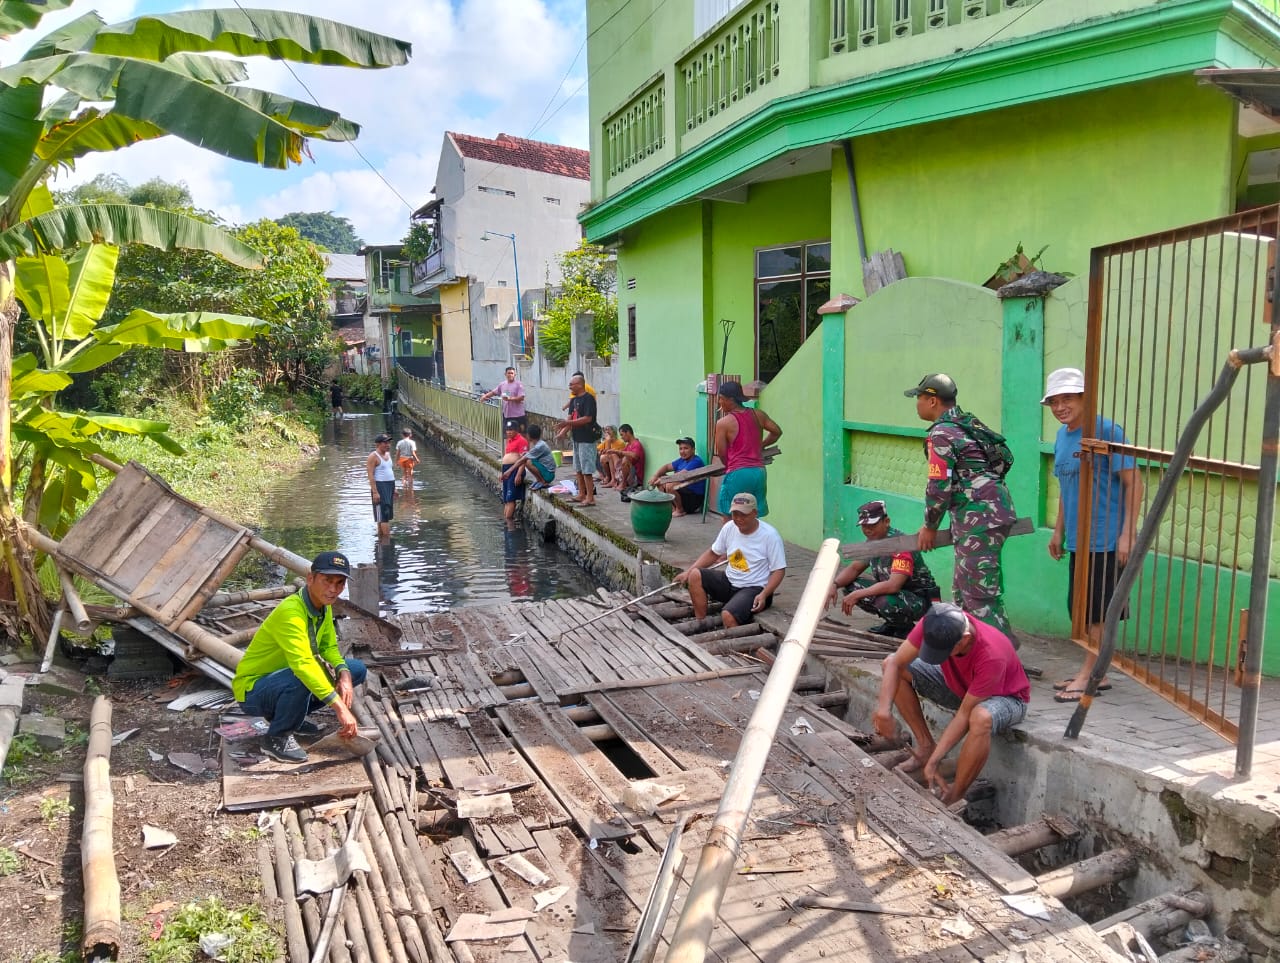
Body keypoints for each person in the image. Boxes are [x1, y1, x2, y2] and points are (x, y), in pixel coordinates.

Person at [1043, 367, 1142, 703]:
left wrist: (1128, 534)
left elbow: (1134, 482)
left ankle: (1090, 676)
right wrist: (1058, 532)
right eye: (1054, 401)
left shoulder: (1107, 431)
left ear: (1086, 398)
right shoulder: (1062, 437)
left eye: (1067, 398)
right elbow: (1065, 488)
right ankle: (1093, 671)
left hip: (1106, 539)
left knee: (1098, 613)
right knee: (1081, 611)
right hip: (1078, 542)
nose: (1060, 407)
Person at [874, 601, 1029, 804]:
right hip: (961, 687)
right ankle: (925, 746)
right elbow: (896, 663)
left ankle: (957, 793)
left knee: (980, 717)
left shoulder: (992, 654)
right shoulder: (935, 621)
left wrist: (935, 761)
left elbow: (964, 714)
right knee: (891, 664)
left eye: (943, 652)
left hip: (1006, 698)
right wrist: (884, 711)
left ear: (964, 640)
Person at [907, 373, 1018, 642]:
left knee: (978, 596)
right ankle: (984, 653)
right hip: (990, 513)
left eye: (919, 398)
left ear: (932, 400)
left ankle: (1003, 662)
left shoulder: (942, 433)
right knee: (966, 590)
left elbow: (938, 487)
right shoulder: (967, 423)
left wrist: (930, 527)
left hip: (978, 519)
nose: (917, 404)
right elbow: (1001, 462)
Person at [232, 551, 367, 763]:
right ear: (311, 578)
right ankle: (276, 738)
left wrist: (343, 673)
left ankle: (292, 716)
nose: (333, 589)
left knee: (356, 669)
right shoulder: (291, 611)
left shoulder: (324, 606)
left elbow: (328, 647)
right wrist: (340, 708)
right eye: (327, 581)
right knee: (302, 676)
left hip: (284, 679)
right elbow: (303, 664)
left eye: (340, 583)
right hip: (253, 691)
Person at [829, 500, 940, 638]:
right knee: (851, 586)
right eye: (864, 525)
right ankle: (892, 623)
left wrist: (858, 595)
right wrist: (834, 584)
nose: (867, 529)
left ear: (886, 521)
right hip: (900, 595)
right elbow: (854, 569)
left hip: (921, 600)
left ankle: (905, 629)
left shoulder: (901, 545)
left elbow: (893, 585)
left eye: (872, 524)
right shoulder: (873, 542)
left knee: (884, 600)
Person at [675, 492, 786, 627]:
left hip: (754, 588)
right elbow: (713, 553)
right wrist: (688, 571)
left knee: (728, 615)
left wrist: (764, 594)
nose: (738, 518)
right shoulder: (729, 527)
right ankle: (701, 623)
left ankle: (735, 646)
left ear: (755, 513)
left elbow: (779, 570)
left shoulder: (770, 536)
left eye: (743, 514)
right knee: (695, 574)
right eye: (735, 514)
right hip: (730, 582)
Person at [714, 380, 782, 517]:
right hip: (759, 472)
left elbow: (722, 453)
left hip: (738, 473)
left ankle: (732, 540)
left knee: (730, 516)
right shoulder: (759, 415)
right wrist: (761, 445)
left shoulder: (723, 423)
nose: (719, 402)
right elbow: (777, 432)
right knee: (753, 514)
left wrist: (730, 466)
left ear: (731, 400)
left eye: (721, 398)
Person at [555, 373, 598, 506]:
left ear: (580, 385)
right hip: (577, 438)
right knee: (578, 468)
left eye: (572, 384)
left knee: (587, 469)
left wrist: (567, 424)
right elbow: (570, 419)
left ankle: (590, 497)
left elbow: (587, 418)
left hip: (587, 438)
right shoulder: (573, 401)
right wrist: (562, 432)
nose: (570, 387)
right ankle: (581, 493)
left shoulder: (589, 399)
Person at [650, 437, 706, 517]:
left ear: (693, 449)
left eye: (686, 448)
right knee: (660, 477)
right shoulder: (681, 460)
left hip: (693, 499)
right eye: (680, 449)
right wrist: (655, 476)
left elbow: (681, 475)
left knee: (670, 484)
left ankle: (680, 510)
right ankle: (673, 508)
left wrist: (663, 480)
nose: (682, 451)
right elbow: (666, 467)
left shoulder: (696, 461)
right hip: (683, 494)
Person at [503, 424, 558, 492]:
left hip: (549, 474)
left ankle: (542, 481)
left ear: (529, 436)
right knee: (526, 458)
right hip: (547, 472)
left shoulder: (539, 446)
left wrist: (509, 471)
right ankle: (539, 480)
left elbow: (522, 460)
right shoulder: (540, 443)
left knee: (527, 461)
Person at [478, 366, 527, 431]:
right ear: (505, 374)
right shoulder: (502, 384)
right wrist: (485, 396)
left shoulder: (518, 384)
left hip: (518, 415)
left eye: (512, 373)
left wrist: (510, 399)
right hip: (507, 415)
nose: (510, 375)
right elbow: (494, 392)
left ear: (515, 374)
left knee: (521, 433)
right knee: (508, 434)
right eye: (508, 373)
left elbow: (522, 397)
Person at [367, 433, 395, 537]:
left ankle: (381, 540)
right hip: (380, 486)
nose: (388, 445)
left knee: (384, 515)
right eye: (385, 443)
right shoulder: (373, 457)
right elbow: (370, 475)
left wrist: (394, 489)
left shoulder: (388, 454)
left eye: (389, 442)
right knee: (384, 516)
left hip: (389, 485)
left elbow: (390, 471)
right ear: (378, 444)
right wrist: (375, 492)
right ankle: (387, 540)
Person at [500, 420, 530, 519]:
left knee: (511, 498)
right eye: (507, 430)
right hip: (507, 470)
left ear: (517, 430)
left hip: (515, 470)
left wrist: (518, 474)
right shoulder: (509, 440)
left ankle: (508, 523)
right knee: (506, 499)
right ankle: (506, 520)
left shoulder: (522, 440)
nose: (508, 432)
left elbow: (523, 459)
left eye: (511, 430)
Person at [604, 423, 645, 490]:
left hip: (635, 478)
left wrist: (619, 452)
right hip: (628, 474)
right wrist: (613, 451)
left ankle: (623, 483)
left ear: (628, 432)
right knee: (613, 455)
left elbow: (635, 455)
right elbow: (620, 454)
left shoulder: (636, 444)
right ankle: (613, 480)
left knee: (626, 459)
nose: (621, 437)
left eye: (622, 435)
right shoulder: (629, 444)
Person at [395, 428, 420, 492]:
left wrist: (396, 461)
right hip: (409, 459)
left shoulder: (399, 442)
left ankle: (404, 487)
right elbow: (413, 452)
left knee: (403, 474)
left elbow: (397, 453)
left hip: (401, 459)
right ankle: (411, 489)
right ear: (410, 435)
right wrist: (416, 459)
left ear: (402, 435)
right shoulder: (412, 442)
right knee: (410, 474)